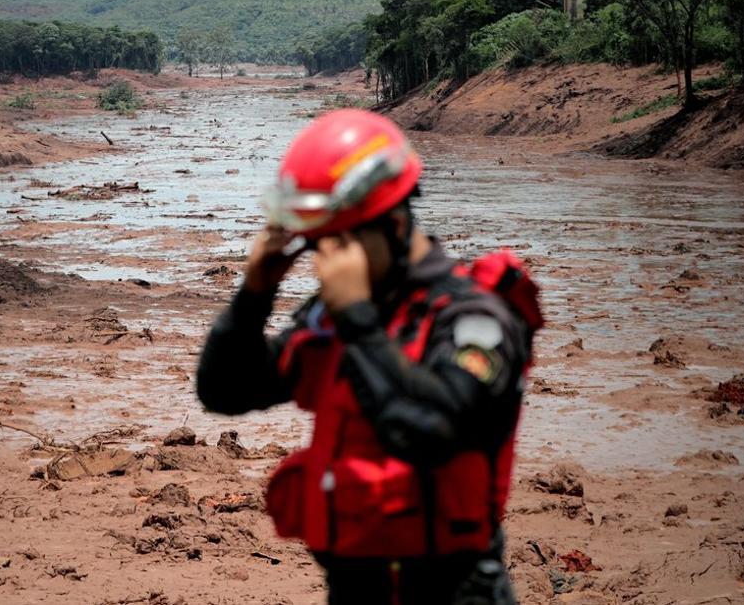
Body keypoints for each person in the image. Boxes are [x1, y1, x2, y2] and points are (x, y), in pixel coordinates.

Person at [196, 109, 542, 604]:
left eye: (339, 241)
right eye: (316, 244)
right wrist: (255, 293)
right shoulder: (338, 312)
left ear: (394, 222)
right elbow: (226, 391)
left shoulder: (474, 318)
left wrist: (360, 321)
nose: (325, 261)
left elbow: (429, 430)